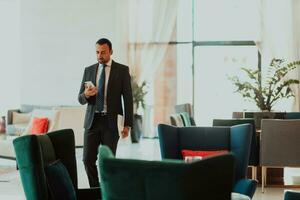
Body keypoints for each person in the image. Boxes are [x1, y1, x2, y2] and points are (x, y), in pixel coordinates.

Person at [78, 38, 133, 187]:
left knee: (108, 162)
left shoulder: (122, 70)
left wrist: (127, 125)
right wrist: (87, 95)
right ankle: (96, 190)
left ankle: (108, 190)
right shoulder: (88, 70)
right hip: (92, 121)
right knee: (87, 160)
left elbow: (128, 99)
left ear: (111, 52)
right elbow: (80, 98)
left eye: (103, 52)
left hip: (111, 123)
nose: (99, 55)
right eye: (97, 52)